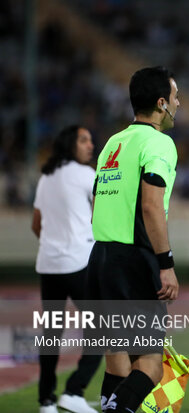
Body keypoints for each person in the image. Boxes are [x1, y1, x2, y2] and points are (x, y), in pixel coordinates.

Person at [87, 66, 180, 413]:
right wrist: (165, 264)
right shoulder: (159, 143)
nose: (178, 103)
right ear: (161, 103)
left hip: (100, 258)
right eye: (174, 97)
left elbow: (98, 202)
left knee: (117, 360)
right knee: (151, 365)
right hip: (134, 262)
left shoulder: (114, 142)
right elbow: (152, 206)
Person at [32, 125, 102, 413]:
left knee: (51, 332)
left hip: (48, 264)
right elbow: (102, 218)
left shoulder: (45, 177)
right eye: (83, 140)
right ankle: (74, 391)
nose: (91, 145)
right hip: (79, 262)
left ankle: (46, 400)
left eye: (90, 139)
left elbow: (36, 225)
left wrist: (55, 244)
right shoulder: (88, 175)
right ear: (69, 145)